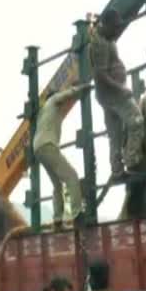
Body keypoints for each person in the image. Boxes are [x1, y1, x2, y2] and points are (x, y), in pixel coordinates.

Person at [89, 9, 145, 180]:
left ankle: (117, 170)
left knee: (115, 135)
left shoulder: (105, 38)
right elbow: (101, 76)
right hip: (113, 94)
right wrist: (122, 89)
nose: (117, 30)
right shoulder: (99, 43)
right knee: (136, 121)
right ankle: (132, 160)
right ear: (105, 25)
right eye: (114, 27)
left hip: (106, 96)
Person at [33, 83, 91, 229]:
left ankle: (57, 220)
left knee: (56, 185)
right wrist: (80, 88)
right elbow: (64, 96)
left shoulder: (42, 112)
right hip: (48, 145)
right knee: (71, 176)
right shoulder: (52, 101)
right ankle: (77, 214)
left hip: (38, 148)